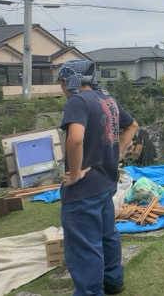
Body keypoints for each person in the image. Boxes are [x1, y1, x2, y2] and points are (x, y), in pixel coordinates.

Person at [57, 59, 138, 295]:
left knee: (83, 246)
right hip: (106, 182)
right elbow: (132, 125)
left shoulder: (78, 101)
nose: (61, 88)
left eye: (62, 82)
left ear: (70, 81)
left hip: (83, 190)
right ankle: (113, 281)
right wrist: (119, 152)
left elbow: (75, 139)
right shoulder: (108, 100)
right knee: (107, 235)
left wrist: (74, 173)